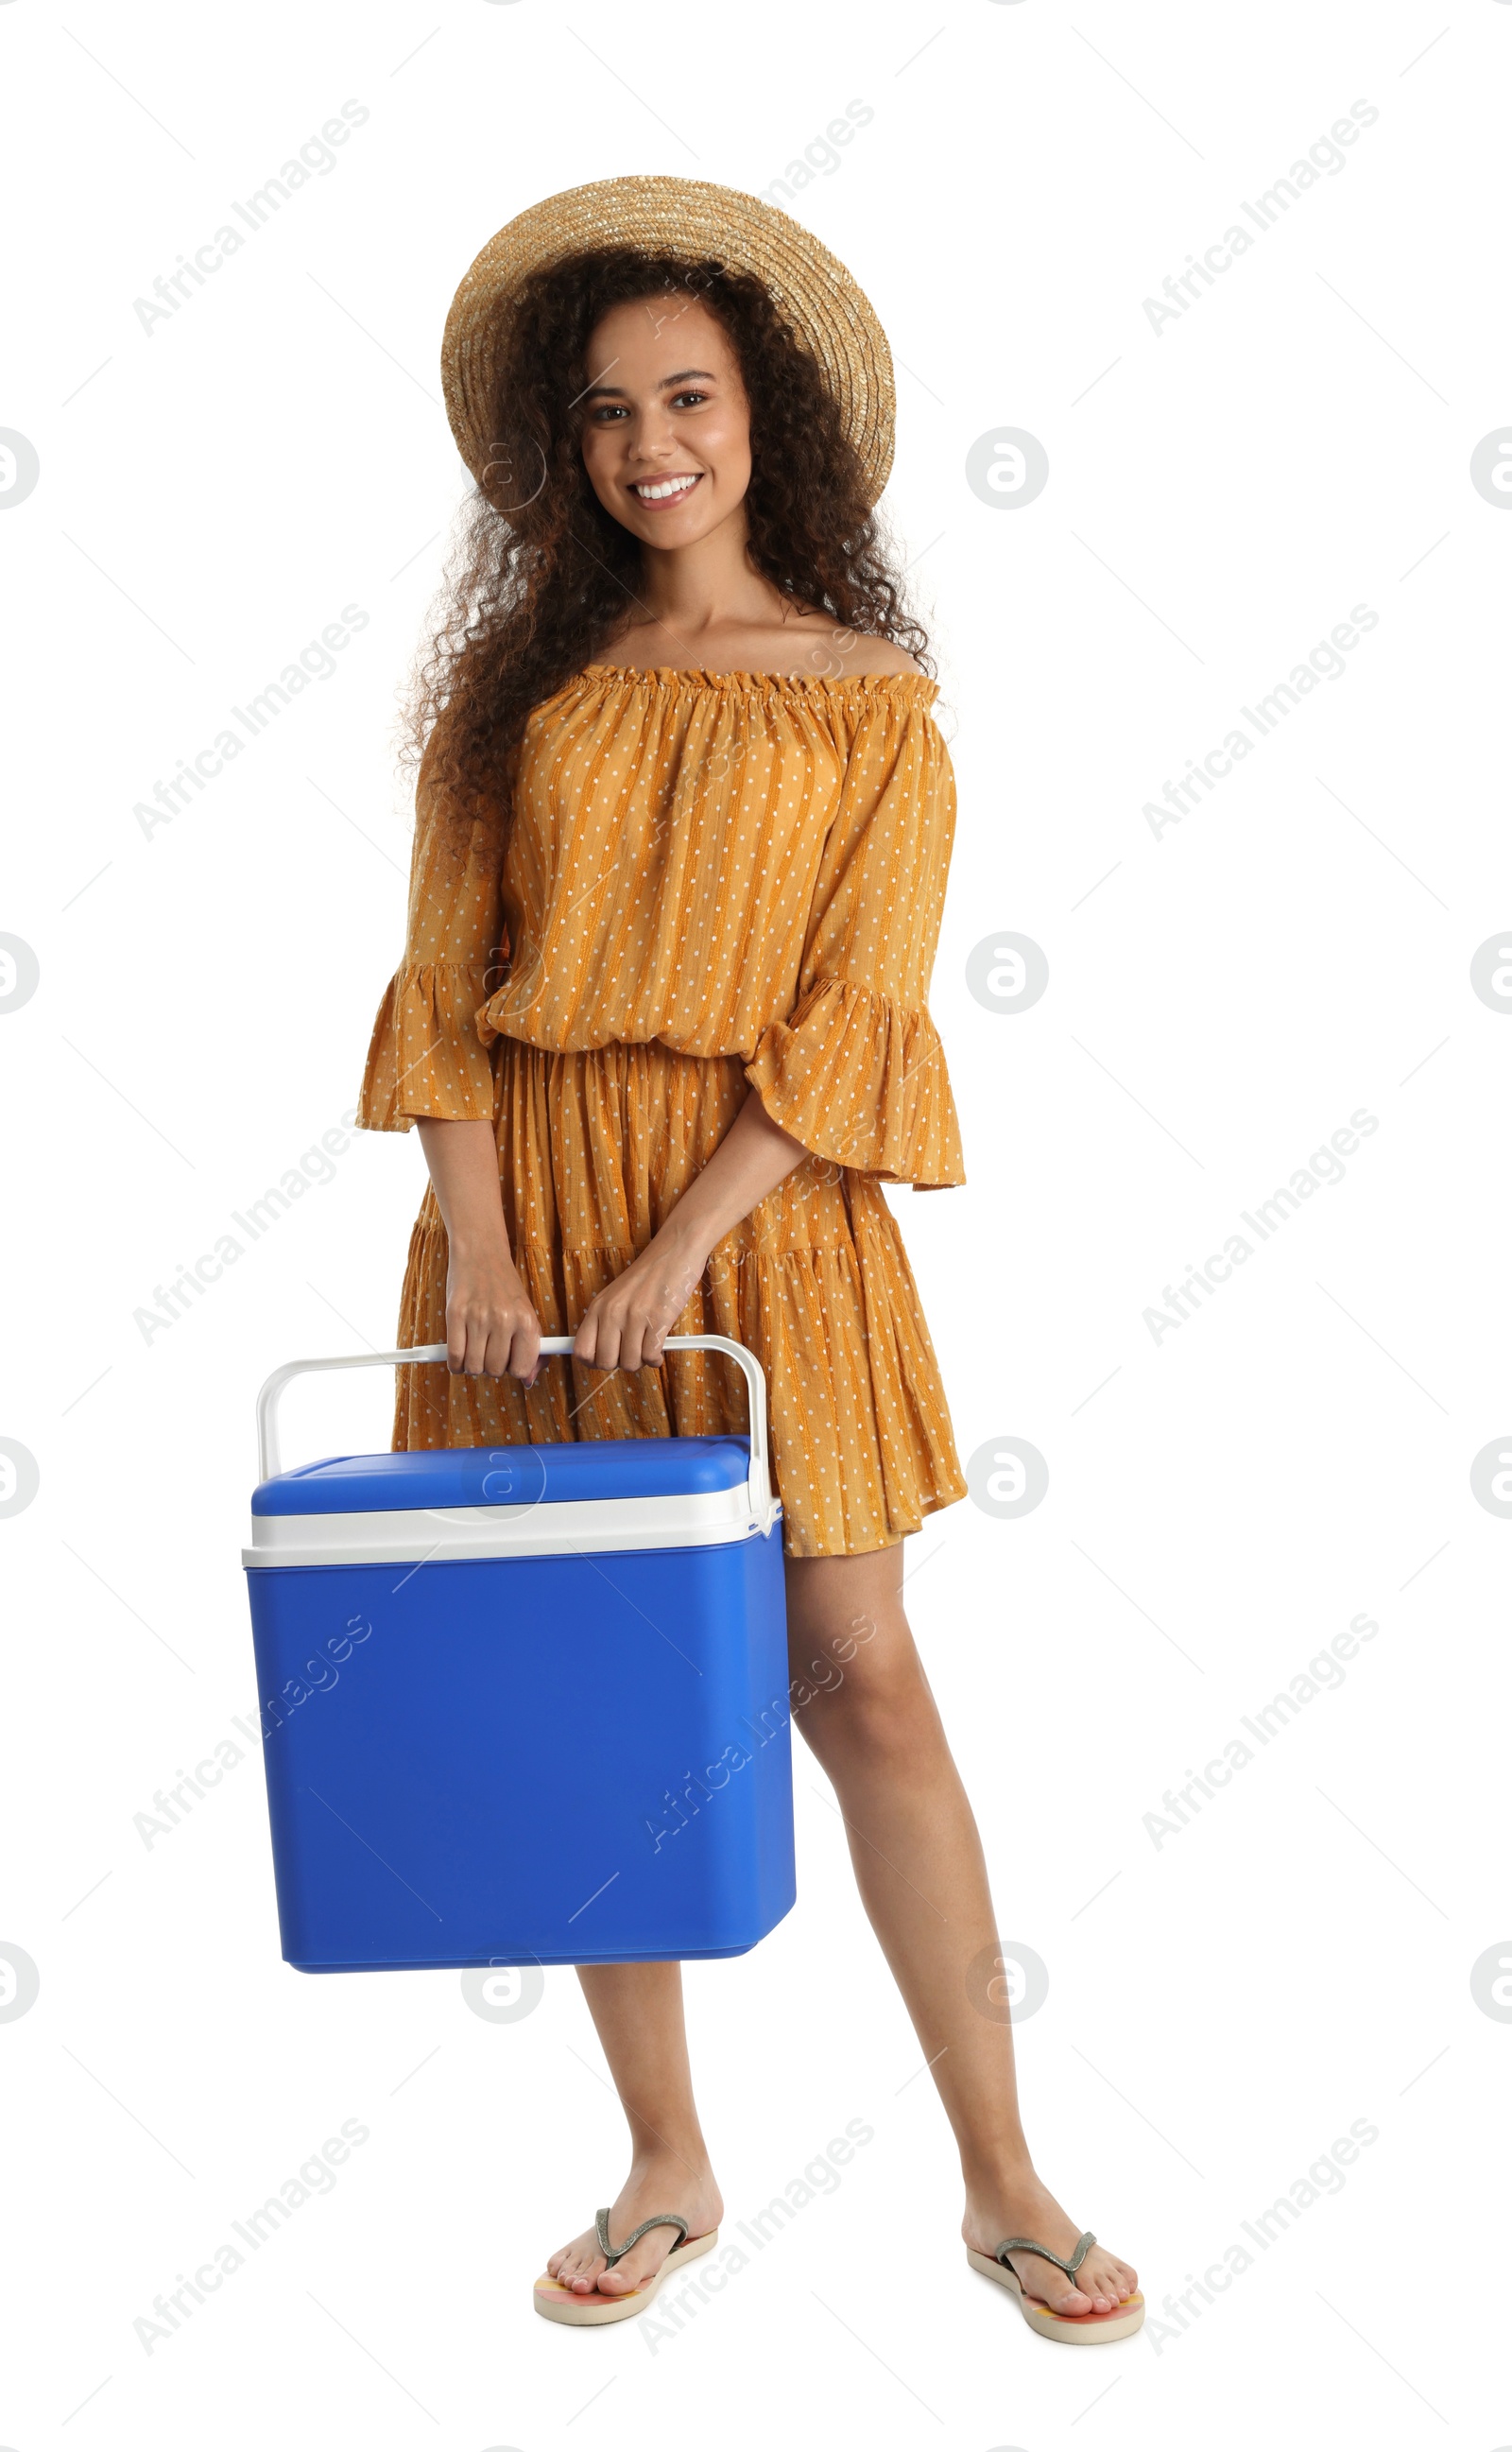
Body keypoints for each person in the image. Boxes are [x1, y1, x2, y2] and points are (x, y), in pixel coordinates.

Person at [355, 177, 1142, 2343]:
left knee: (856, 1675)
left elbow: (855, 1018)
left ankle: (1000, 2175)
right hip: (528, 1220)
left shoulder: (875, 707)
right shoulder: (514, 694)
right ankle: (665, 2160)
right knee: (600, 1687)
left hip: (767, 1216)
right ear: (564, 443)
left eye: (684, 394)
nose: (647, 444)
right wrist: (494, 1246)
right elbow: (440, 989)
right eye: (604, 411)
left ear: (762, 414)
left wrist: (683, 1235)